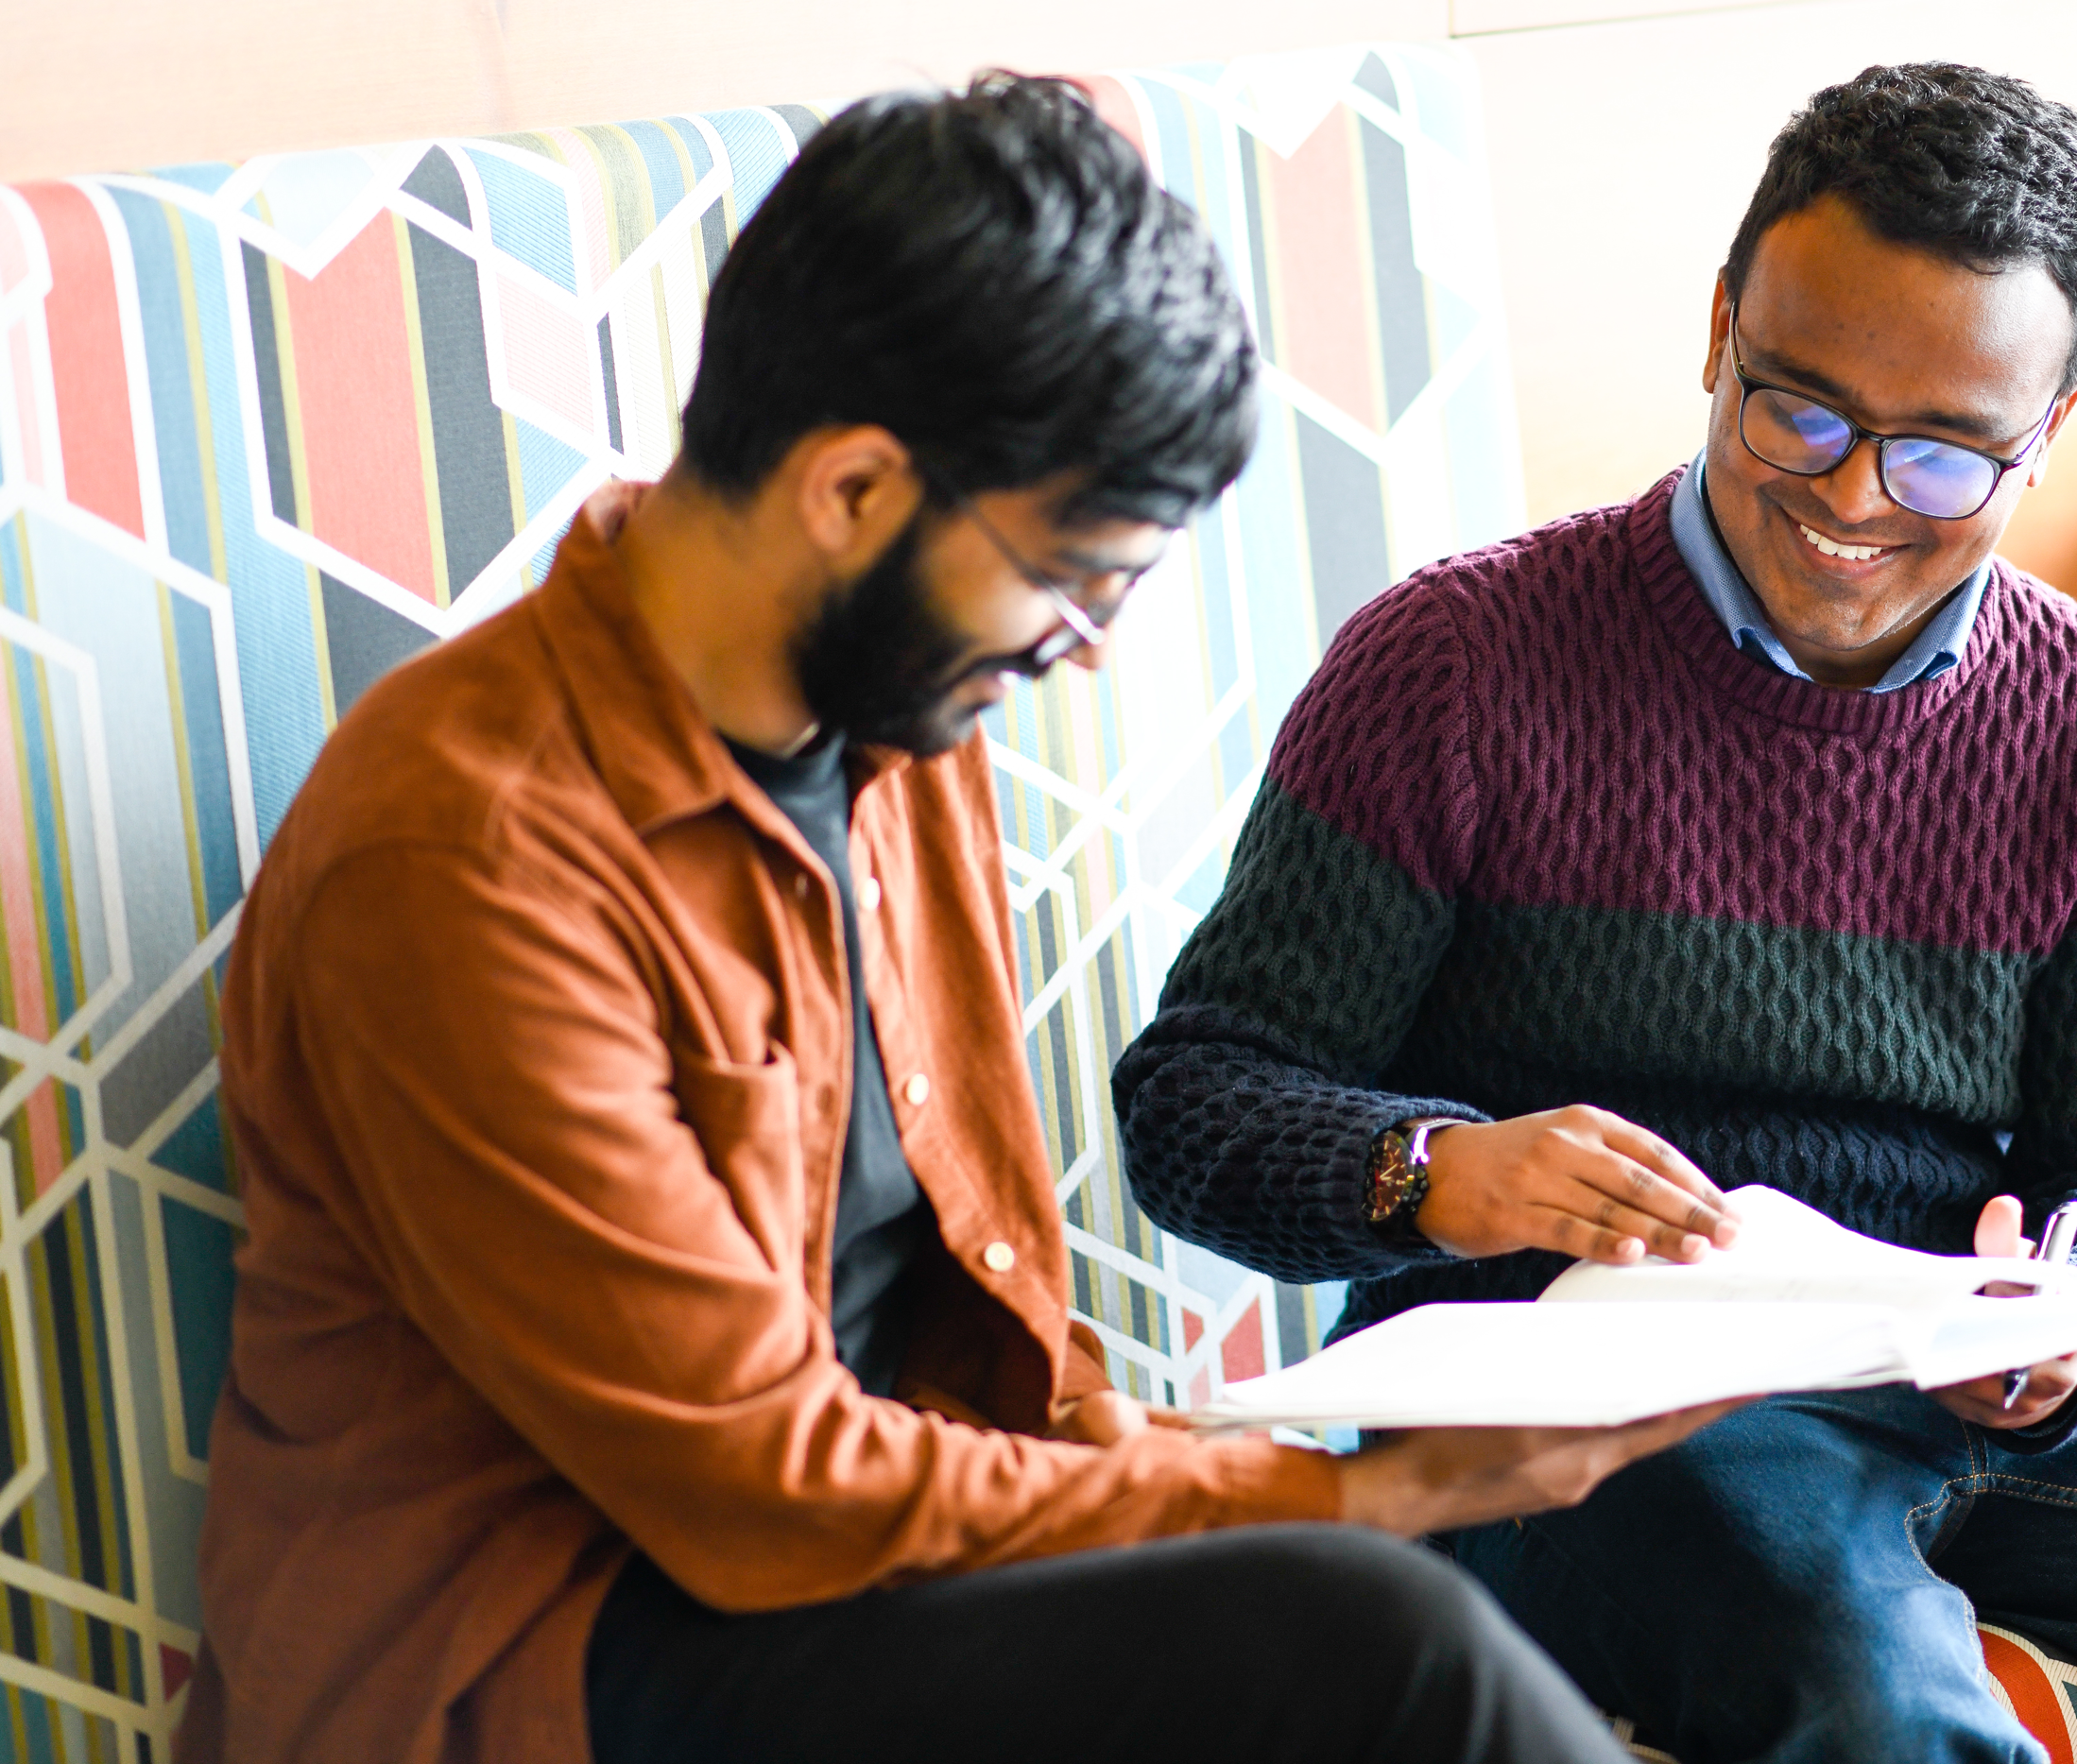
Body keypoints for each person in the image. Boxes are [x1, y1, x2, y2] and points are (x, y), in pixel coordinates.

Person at [1115, 61, 2077, 1764]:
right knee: (1885, 1711)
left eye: (1944, 458)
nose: (1854, 498)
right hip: (1585, 1418)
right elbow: (1196, 1099)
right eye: (1801, 411)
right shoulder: (1456, 665)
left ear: (2049, 432)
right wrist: (1438, 1169)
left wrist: (2069, 1342)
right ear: (1718, 331)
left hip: (1965, 1391)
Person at [184, 77, 1732, 1764]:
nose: (1085, 642)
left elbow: (977, 1311)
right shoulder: (464, 858)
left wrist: (1211, 1475)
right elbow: (756, 1482)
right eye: (1072, 575)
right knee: (1379, 1635)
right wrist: (1354, 1496)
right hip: (541, 1652)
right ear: (852, 488)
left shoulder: (894, 719)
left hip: (842, 1571)